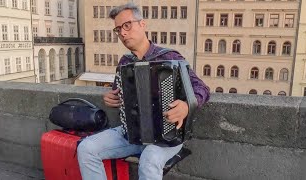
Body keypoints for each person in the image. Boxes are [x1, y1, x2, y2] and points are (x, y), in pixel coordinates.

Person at [77, 3, 210, 180]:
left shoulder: (170, 57)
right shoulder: (125, 62)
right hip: (131, 134)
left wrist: (186, 106)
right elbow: (120, 93)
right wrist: (111, 97)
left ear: (142, 24)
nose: (122, 33)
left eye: (127, 25)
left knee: (149, 160)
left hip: (167, 135)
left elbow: (202, 88)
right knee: (86, 148)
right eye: (118, 29)